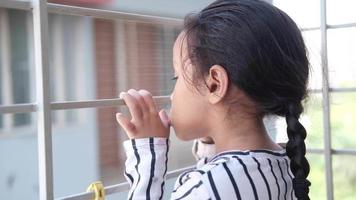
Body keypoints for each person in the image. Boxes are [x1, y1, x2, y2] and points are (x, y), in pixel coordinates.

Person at [115, 0, 311, 199]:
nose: (172, 95)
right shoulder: (286, 164)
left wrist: (147, 157)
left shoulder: (204, 187)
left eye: (177, 77)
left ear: (215, 84)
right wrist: (210, 136)